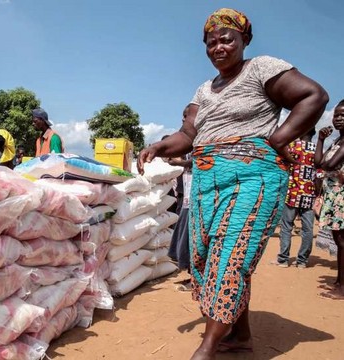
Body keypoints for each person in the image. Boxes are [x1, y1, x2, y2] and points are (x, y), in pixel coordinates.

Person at [136, 8, 328, 359]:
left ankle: (207, 349)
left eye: (227, 39)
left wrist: (277, 140)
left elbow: (313, 96)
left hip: (253, 176)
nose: (218, 47)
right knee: (206, 258)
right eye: (211, 42)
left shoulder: (261, 68)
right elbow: (188, 134)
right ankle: (239, 336)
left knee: (231, 257)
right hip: (208, 180)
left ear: (244, 40)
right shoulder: (205, 89)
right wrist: (160, 146)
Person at [274, 128, 319, 269]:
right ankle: (302, 261)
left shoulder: (293, 147)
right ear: (313, 134)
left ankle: (283, 260)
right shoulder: (317, 150)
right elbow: (320, 173)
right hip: (309, 194)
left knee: (287, 227)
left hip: (292, 192)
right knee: (308, 229)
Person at [315, 100, 344, 300]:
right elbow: (319, 162)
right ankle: (340, 281)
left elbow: (329, 164)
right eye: (336, 115)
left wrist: (325, 165)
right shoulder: (337, 141)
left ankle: (342, 286)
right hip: (334, 195)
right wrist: (320, 140)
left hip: (341, 197)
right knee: (339, 240)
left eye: (343, 115)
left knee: (342, 241)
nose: (339, 119)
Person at [167, 107, 193, 285]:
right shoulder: (190, 140)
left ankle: (197, 280)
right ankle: (193, 276)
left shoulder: (205, 137)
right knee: (187, 237)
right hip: (188, 197)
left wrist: (180, 163)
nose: (184, 120)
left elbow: (199, 161)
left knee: (194, 238)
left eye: (187, 116)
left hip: (198, 197)